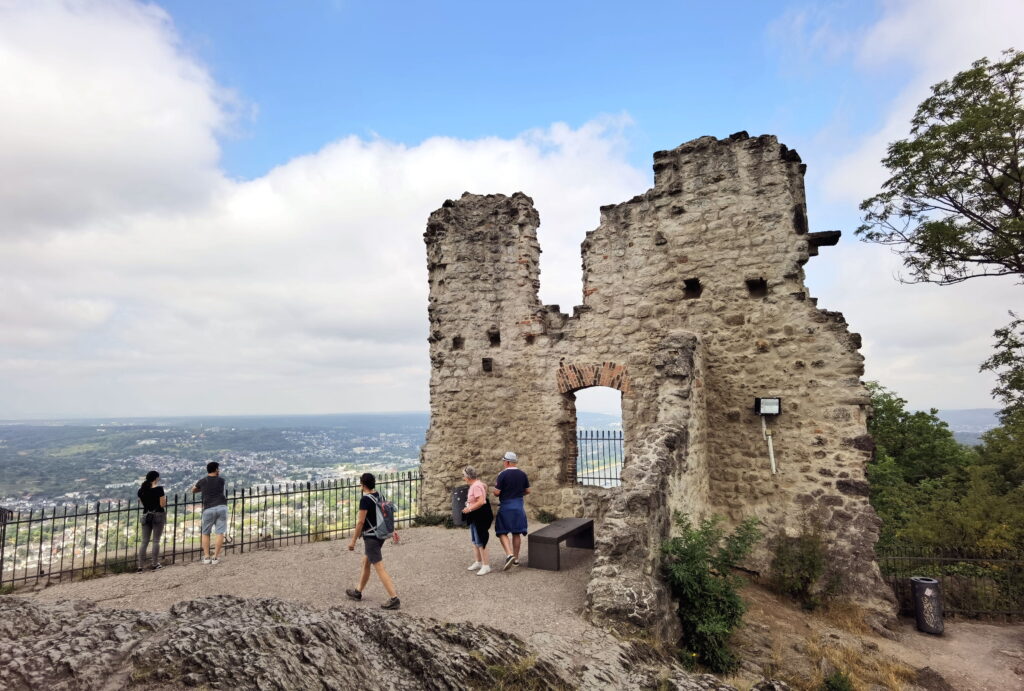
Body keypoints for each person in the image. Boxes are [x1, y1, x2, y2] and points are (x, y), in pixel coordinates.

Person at [346, 473, 400, 609]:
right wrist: (392, 530)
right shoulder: (378, 495)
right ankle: (358, 592)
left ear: (363, 485)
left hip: (371, 537)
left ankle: (394, 599)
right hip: (380, 535)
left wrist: (353, 542)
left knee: (379, 567)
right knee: (366, 562)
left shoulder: (365, 500)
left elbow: (360, 522)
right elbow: (385, 514)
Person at [493, 451, 530, 571]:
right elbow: (528, 490)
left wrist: (495, 492)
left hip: (506, 506)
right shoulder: (522, 474)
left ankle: (509, 554)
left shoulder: (502, 475)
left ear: (508, 462)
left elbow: (497, 492)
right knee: (516, 532)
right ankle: (517, 559)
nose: (503, 463)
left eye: (504, 461)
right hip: (518, 506)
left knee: (501, 530)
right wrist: (519, 493)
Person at [191, 461, 228, 565]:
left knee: (205, 533)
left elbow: (193, 490)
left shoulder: (202, 481)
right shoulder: (221, 480)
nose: (219, 470)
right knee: (219, 532)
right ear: (216, 469)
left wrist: (202, 489)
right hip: (221, 507)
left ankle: (207, 557)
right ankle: (216, 557)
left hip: (208, 508)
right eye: (218, 469)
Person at [461, 466, 493, 576]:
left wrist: (469, 508)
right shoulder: (478, 484)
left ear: (468, 477)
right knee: (475, 540)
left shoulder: (476, 486)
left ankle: (486, 565)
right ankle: (478, 562)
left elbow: (481, 501)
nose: (463, 478)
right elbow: (485, 487)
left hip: (479, 516)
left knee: (480, 540)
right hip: (475, 515)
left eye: (464, 476)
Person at [137, 470, 166, 572]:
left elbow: (142, 504)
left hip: (146, 515)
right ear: (156, 478)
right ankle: (154, 564)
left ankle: (140, 566)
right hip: (158, 515)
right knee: (156, 540)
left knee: (144, 541)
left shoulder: (141, 491)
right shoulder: (159, 489)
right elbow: (162, 504)